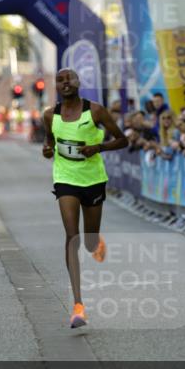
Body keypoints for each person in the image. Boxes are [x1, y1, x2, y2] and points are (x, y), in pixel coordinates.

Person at [42, 68, 128, 329]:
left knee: (89, 242)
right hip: (65, 178)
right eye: (60, 80)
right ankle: (78, 305)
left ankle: (95, 242)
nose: (65, 83)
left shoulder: (96, 111)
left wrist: (98, 147)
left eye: (69, 78)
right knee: (72, 237)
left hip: (93, 180)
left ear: (78, 82)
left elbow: (122, 140)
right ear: (56, 86)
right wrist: (47, 150)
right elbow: (49, 142)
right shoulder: (50, 115)